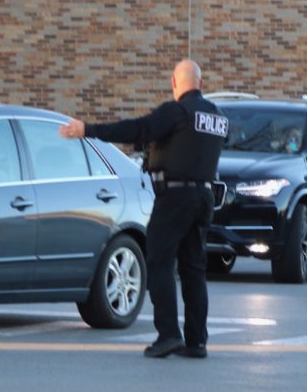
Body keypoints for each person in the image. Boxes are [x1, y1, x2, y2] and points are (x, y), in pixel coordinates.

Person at [59, 59, 227, 359]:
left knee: (160, 264)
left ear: (175, 84)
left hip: (174, 197)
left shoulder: (176, 112)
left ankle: (168, 335)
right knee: (193, 269)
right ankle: (196, 341)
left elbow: (137, 129)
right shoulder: (216, 116)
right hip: (203, 197)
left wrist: (88, 129)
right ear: (201, 84)